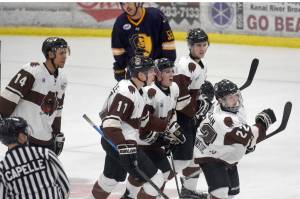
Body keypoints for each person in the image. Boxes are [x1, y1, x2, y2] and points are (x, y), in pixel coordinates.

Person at [92, 55, 166, 199]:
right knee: (156, 179)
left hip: (117, 142)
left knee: (110, 179)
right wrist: (124, 147)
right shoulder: (127, 92)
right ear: (140, 75)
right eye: (150, 71)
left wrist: (163, 132)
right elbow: (110, 124)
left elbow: (144, 120)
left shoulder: (137, 90)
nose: (154, 74)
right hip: (121, 144)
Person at [194, 79, 277, 199]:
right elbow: (249, 136)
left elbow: (241, 136)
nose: (235, 100)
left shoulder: (219, 106)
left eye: (236, 95)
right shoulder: (224, 120)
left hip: (222, 152)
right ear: (221, 100)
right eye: (230, 97)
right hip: (210, 157)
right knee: (220, 192)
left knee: (231, 192)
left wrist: (243, 146)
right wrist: (262, 123)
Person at [123, 58, 186, 198]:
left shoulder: (174, 88)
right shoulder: (148, 93)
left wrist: (172, 132)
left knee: (162, 174)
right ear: (157, 74)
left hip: (155, 141)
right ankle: (130, 195)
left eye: (171, 71)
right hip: (141, 142)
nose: (171, 74)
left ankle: (129, 195)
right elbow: (142, 125)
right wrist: (163, 138)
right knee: (153, 176)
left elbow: (172, 113)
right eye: (166, 71)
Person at [0, 37, 70, 155]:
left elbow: (57, 110)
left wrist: (57, 134)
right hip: (23, 138)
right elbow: (9, 97)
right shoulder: (32, 71)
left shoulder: (62, 80)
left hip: (46, 140)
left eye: (65, 52)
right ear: (50, 54)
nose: (64, 56)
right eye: (61, 53)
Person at [172, 28, 213, 198]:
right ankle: (153, 188)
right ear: (190, 46)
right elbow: (180, 99)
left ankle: (188, 191)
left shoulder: (199, 64)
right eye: (198, 45)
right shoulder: (185, 65)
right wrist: (196, 111)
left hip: (190, 117)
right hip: (180, 118)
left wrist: (204, 99)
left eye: (204, 45)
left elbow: (194, 92)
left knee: (196, 155)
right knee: (181, 160)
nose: (201, 48)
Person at [0, 116, 70, 198]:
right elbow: (65, 188)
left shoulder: (2, 169)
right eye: (26, 132)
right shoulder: (46, 154)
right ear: (21, 137)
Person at [111, 2, 176, 81]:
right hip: (135, 72)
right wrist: (121, 67)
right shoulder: (120, 22)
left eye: (129, 2)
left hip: (157, 71)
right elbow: (118, 50)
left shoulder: (156, 16)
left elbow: (168, 44)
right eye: (123, 3)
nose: (126, 6)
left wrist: (165, 67)